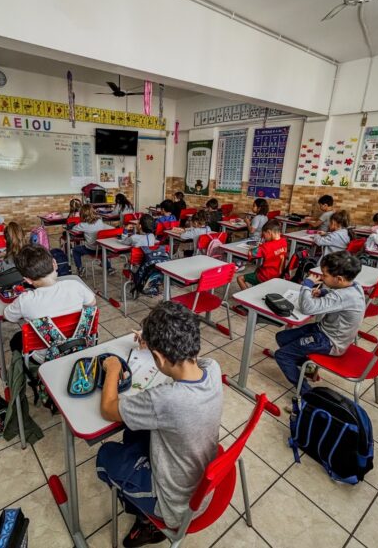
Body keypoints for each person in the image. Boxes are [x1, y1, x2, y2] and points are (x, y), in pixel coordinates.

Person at [96, 301, 222, 547]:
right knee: (134, 432)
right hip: (200, 480)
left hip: (174, 505)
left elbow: (108, 409)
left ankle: (147, 523)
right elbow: (188, 359)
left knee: (106, 454)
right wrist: (155, 344)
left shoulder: (165, 400)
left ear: (159, 357)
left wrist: (112, 369)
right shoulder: (212, 369)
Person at [266, 252, 365, 411]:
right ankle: (309, 367)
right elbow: (340, 297)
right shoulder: (355, 286)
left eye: (325, 275)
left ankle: (308, 396)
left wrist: (307, 284)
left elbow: (307, 308)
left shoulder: (341, 297)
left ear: (339, 279)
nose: (322, 278)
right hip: (325, 332)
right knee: (282, 337)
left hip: (329, 341)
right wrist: (324, 292)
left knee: (282, 355)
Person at [237, 221, 287, 290]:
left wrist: (252, 248)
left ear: (269, 232)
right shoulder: (284, 241)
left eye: (264, 235)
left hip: (266, 276)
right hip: (278, 274)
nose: (264, 238)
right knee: (257, 270)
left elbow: (252, 253)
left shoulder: (266, 246)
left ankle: (248, 294)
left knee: (240, 278)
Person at [71, 204, 113, 274]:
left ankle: (80, 268)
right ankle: (109, 268)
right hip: (102, 248)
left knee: (75, 250)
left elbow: (73, 229)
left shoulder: (83, 225)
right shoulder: (99, 221)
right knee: (100, 249)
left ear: (82, 214)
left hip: (91, 249)